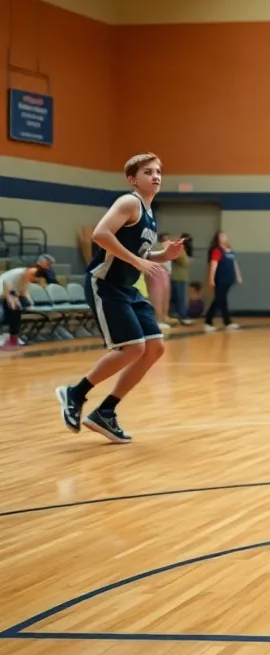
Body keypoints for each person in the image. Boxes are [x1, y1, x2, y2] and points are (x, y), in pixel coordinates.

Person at [55, 153, 184, 444]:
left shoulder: (149, 214)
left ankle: (106, 412)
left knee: (154, 348)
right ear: (132, 179)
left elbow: (138, 253)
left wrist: (164, 255)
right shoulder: (129, 202)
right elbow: (100, 235)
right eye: (148, 171)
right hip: (106, 284)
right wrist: (138, 263)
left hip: (127, 289)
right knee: (132, 348)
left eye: (159, 171)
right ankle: (74, 393)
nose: (156, 176)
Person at [1, 255, 55, 349]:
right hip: (2, 295)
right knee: (13, 309)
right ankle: (9, 336)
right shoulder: (16, 275)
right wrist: (13, 299)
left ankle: (13, 337)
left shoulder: (26, 278)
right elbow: (6, 288)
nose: (33, 279)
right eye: (33, 277)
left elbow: (24, 292)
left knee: (20, 307)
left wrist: (30, 303)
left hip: (12, 295)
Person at [205, 231, 242, 332]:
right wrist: (211, 278)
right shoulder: (217, 250)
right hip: (220, 278)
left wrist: (238, 276)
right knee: (219, 300)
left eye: (225, 235)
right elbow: (213, 265)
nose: (224, 237)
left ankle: (227, 322)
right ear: (217, 238)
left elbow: (235, 264)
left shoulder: (230, 250)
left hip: (229, 278)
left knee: (222, 300)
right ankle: (208, 322)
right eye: (221, 236)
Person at [169, 233, 194, 324]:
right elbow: (183, 261)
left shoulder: (186, 250)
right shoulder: (179, 249)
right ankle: (182, 316)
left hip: (183, 277)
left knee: (181, 297)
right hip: (177, 277)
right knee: (179, 297)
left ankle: (180, 315)